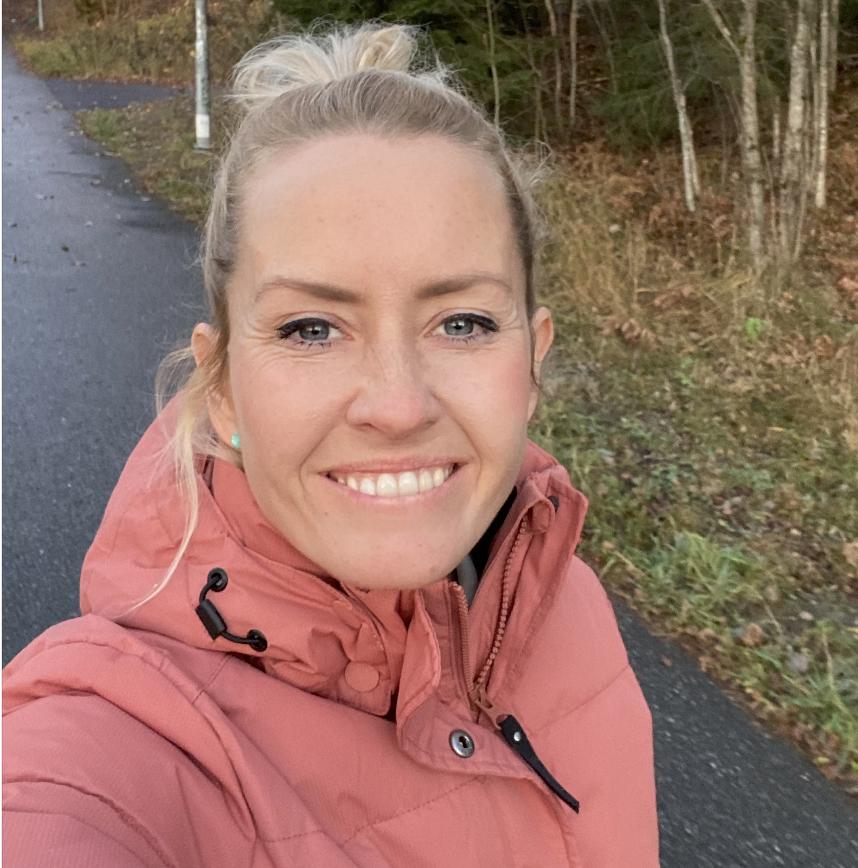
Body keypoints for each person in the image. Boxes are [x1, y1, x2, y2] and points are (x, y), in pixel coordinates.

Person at [3, 23, 659, 867]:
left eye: (462, 322)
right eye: (312, 328)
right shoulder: (112, 749)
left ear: (532, 360)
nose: (398, 405)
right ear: (223, 387)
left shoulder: (565, 605)